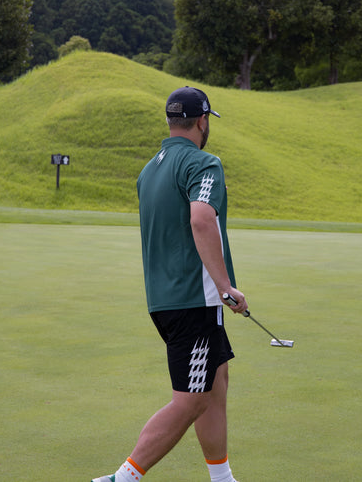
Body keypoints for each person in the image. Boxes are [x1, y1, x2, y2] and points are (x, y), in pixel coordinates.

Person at [92, 86, 247, 482]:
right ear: (203, 121)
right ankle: (123, 478)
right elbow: (200, 219)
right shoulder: (203, 164)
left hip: (165, 300)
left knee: (216, 380)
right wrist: (225, 285)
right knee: (191, 400)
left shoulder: (150, 169)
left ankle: (222, 477)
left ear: (170, 121)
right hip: (193, 301)